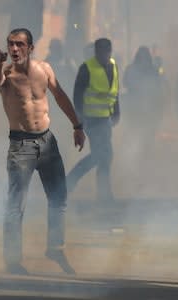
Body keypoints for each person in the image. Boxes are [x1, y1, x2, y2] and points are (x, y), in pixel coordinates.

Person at [0, 28, 85, 275]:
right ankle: (12, 261)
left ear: (30, 48)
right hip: (21, 146)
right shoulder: (6, 74)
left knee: (58, 198)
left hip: (47, 142)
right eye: (10, 44)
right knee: (15, 206)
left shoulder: (44, 69)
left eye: (19, 44)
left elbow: (60, 95)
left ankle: (55, 247)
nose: (14, 49)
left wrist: (77, 125)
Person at [66, 38, 120, 203]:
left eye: (106, 51)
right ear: (96, 52)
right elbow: (77, 95)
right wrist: (79, 120)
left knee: (105, 156)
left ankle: (103, 194)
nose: (103, 55)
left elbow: (114, 91)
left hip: (105, 119)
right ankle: (71, 182)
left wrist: (116, 111)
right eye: (100, 52)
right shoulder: (87, 68)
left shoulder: (113, 66)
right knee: (101, 155)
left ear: (110, 51)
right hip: (91, 119)